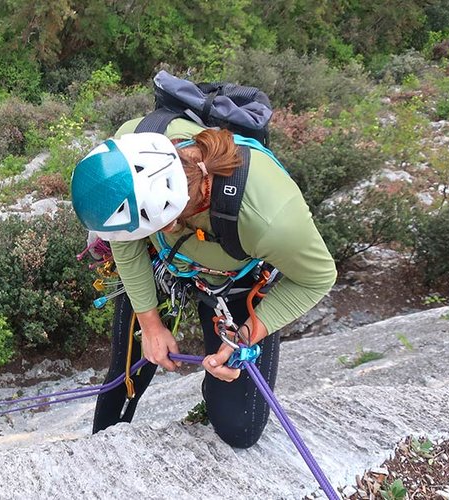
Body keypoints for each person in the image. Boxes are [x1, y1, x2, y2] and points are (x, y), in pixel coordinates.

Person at [70, 117, 336, 448]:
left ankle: (213, 394)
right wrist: (151, 325)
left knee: (240, 427)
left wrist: (247, 334)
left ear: (168, 224)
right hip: (164, 263)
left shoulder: (269, 220)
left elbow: (317, 277)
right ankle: (103, 447)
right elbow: (126, 243)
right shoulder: (133, 143)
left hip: (235, 283)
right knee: (125, 373)